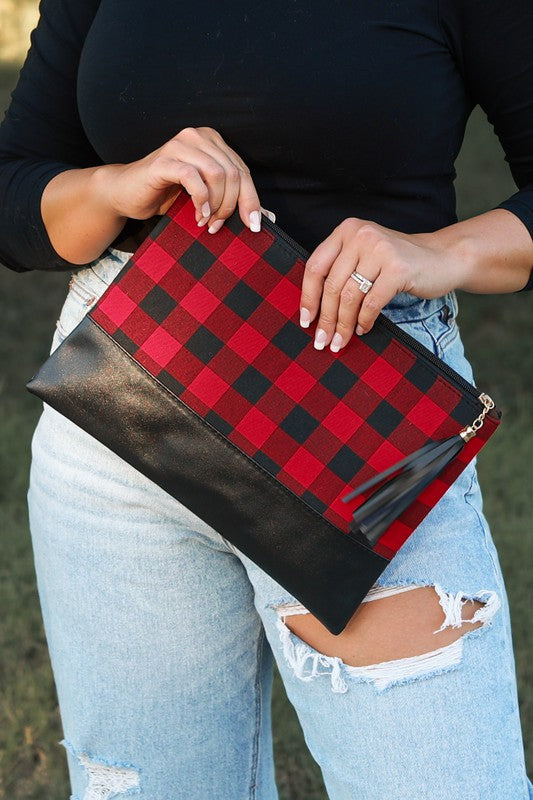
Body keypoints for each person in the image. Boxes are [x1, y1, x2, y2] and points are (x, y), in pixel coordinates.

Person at [1, 1, 532, 798]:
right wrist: (118, 184)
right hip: (123, 415)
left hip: (361, 426)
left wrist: (437, 250)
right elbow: (16, 190)